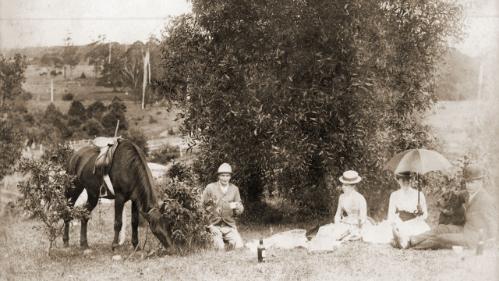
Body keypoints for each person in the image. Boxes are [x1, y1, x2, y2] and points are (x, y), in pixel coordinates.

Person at [397, 164, 497, 249]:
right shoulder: (468, 193)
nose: (468, 185)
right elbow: (455, 195)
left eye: (472, 182)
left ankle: (409, 246)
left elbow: (493, 222)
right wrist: (445, 198)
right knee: (441, 229)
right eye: (467, 182)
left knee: (442, 238)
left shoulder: (486, 200)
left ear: (481, 181)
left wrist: (492, 241)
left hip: (474, 238)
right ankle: (411, 239)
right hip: (465, 230)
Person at [362, 171, 430, 245]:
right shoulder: (395, 195)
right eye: (403, 180)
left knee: (422, 235)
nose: (406, 182)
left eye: (408, 179)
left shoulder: (419, 194)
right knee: (383, 234)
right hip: (399, 222)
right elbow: (391, 214)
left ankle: (406, 240)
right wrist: (393, 225)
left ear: (411, 180)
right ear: (398, 181)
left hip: (414, 222)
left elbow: (425, 215)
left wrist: (420, 213)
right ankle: (400, 238)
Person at [308, 170, 368, 251]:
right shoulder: (342, 197)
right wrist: (337, 225)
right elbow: (338, 214)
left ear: (353, 186)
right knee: (324, 230)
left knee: (336, 235)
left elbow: (362, 218)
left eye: (346, 185)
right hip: (344, 223)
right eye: (342, 184)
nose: (342, 187)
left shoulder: (360, 198)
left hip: (355, 225)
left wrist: (358, 229)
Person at [202, 163, 244, 250]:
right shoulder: (210, 187)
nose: (225, 178)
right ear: (218, 176)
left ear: (230, 176)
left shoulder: (234, 189)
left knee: (239, 246)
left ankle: (227, 239)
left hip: (229, 225)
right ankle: (219, 240)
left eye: (227, 175)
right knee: (219, 248)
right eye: (222, 175)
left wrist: (238, 207)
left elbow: (239, 209)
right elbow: (202, 206)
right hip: (214, 225)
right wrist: (209, 224)